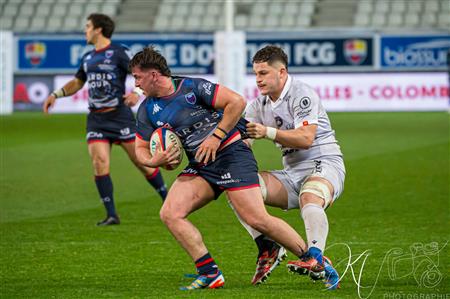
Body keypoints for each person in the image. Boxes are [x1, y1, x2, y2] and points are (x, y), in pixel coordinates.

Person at [129, 46, 309, 291]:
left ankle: (312, 258)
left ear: (153, 74)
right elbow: (140, 148)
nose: (136, 83)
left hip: (231, 154)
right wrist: (155, 160)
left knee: (256, 218)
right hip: (201, 164)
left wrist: (216, 136)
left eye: (138, 77)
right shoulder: (146, 109)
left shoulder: (192, 88)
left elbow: (236, 102)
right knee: (170, 213)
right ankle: (209, 273)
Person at [43, 14, 167, 226]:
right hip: (96, 120)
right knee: (99, 163)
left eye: (88, 26)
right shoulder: (88, 57)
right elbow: (77, 82)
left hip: (119, 116)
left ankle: (168, 201)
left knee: (142, 163)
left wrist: (137, 92)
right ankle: (112, 215)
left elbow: (141, 72)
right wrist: (56, 94)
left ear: (98, 29)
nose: (85, 30)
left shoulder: (119, 52)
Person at [240, 45, 345, 290]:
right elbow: (243, 141)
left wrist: (267, 132)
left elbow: (306, 138)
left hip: (324, 162)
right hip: (291, 173)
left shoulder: (302, 94)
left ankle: (316, 256)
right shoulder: (258, 105)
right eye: (256, 74)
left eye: (264, 73)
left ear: (282, 72)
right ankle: (268, 248)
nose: (258, 79)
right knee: (240, 189)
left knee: (311, 197)